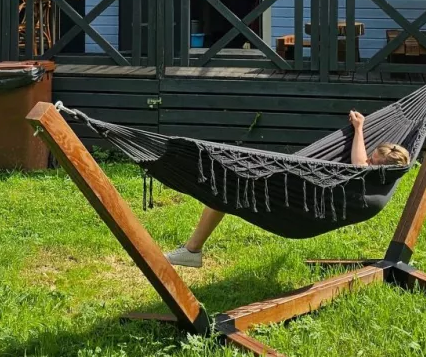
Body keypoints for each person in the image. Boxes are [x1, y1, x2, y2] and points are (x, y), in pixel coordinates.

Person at [165, 110, 412, 267]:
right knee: (225, 188)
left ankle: (192, 250)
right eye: (370, 157)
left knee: (224, 188)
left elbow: (359, 165)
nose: (367, 161)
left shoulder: (367, 186)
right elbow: (361, 162)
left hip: (299, 212)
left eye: (372, 162)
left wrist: (359, 130)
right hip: (305, 201)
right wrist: (359, 129)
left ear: (381, 168)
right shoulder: (385, 179)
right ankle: (192, 250)